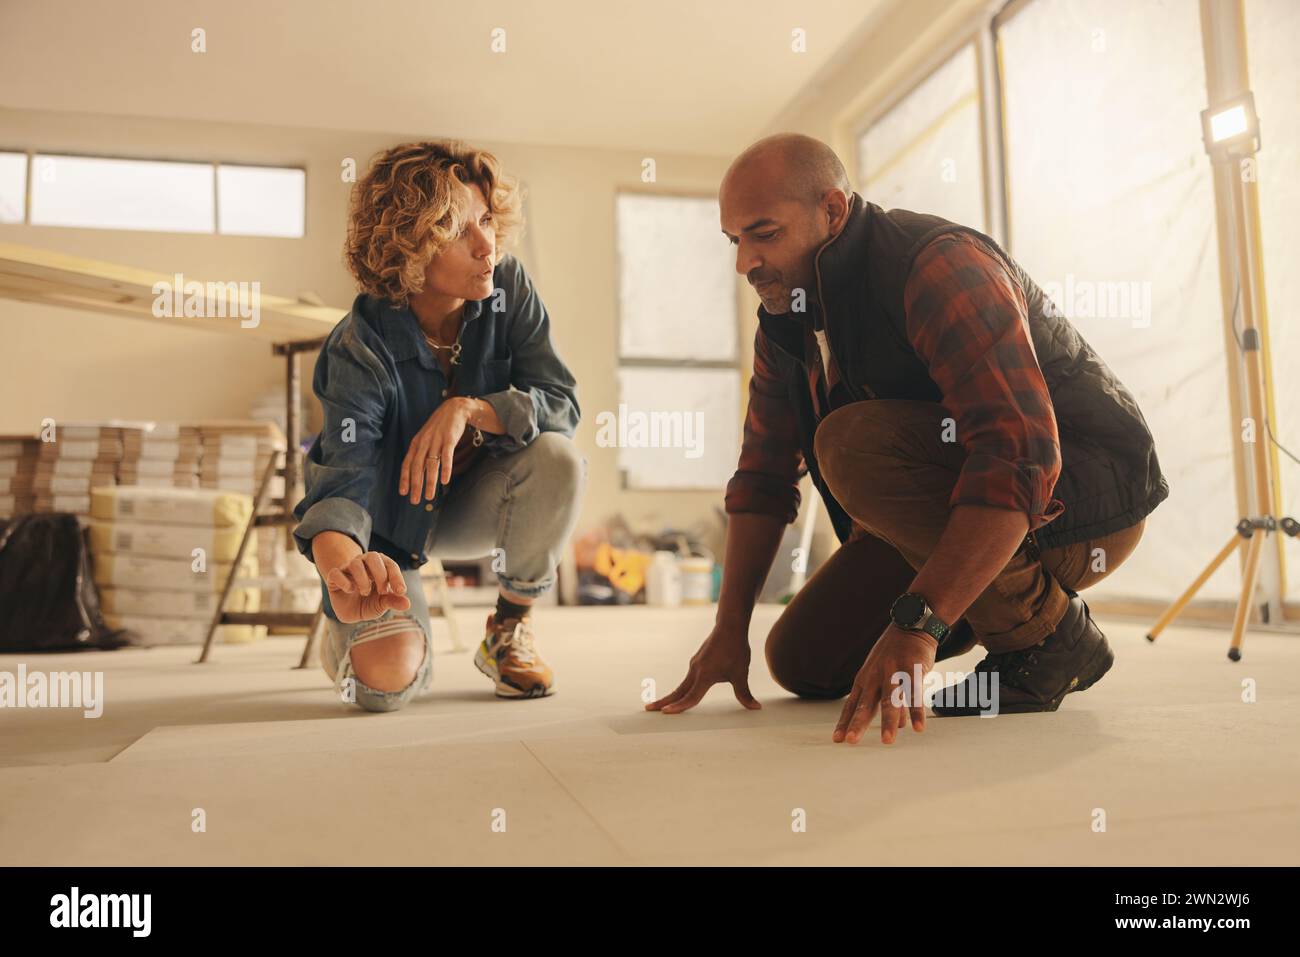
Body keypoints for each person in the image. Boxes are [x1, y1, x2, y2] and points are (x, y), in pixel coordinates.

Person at [649, 133, 1168, 744]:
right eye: (735, 241)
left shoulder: (936, 264)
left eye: (765, 233)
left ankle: (1048, 638)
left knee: (848, 441)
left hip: (1079, 505)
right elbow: (763, 475)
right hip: (958, 513)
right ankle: (978, 601)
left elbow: (1020, 452)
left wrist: (919, 625)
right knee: (802, 661)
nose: (744, 262)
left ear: (833, 211)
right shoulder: (786, 322)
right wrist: (729, 627)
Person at [293, 140, 586, 712]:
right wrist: (342, 574)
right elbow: (341, 485)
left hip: (473, 503)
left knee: (558, 458)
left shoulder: (509, 288)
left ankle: (509, 629)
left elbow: (562, 405)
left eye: (485, 219)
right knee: (382, 690)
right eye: (458, 232)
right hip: (388, 528)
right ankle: (353, 642)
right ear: (409, 247)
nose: (487, 245)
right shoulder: (360, 348)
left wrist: (470, 408)